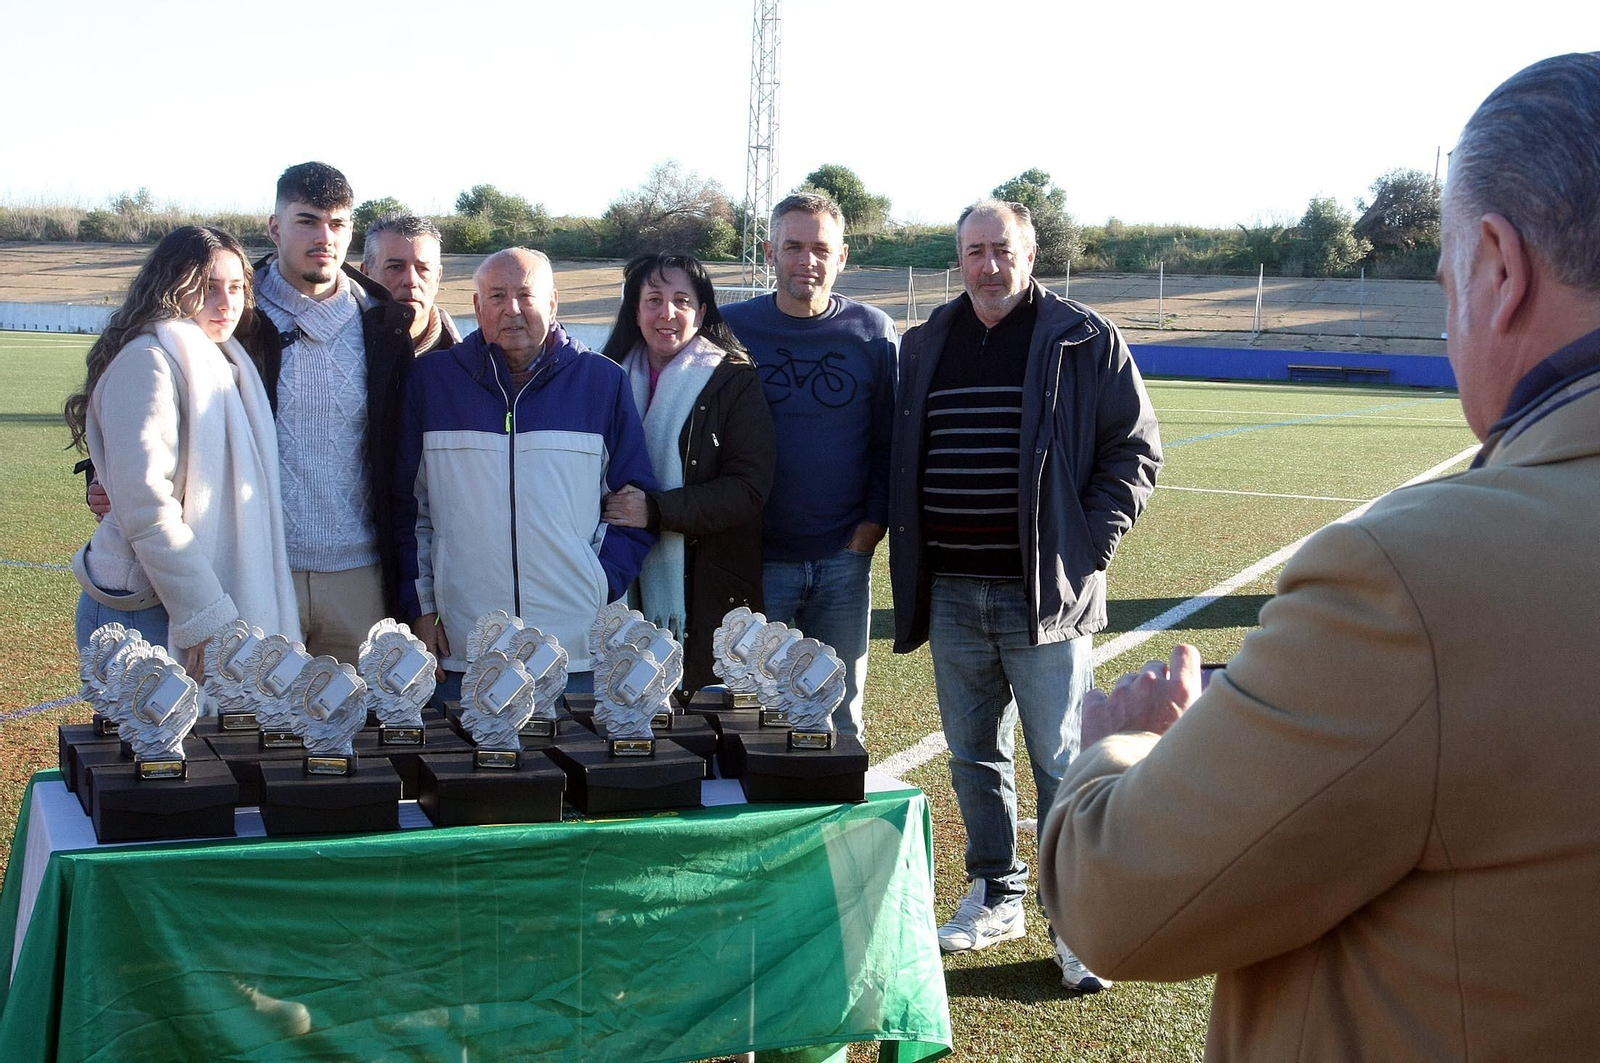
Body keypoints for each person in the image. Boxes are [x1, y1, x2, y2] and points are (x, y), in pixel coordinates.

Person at [1039, 52, 1600, 1060]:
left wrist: (1120, 744)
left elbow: (1113, 899)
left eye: (1446, 283)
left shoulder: (1415, 578)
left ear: (1499, 267)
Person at [888, 200, 1161, 990]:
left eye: (1001, 249)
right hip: (953, 591)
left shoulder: (1083, 338)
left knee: (1064, 761)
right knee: (974, 754)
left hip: (1045, 595)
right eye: (973, 251)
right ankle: (996, 892)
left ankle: (1076, 917)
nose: (987, 265)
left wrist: (1086, 546)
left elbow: (1135, 453)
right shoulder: (928, 341)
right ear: (960, 258)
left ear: (1031, 252)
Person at [393, 247, 657, 692]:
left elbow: (633, 501)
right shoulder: (432, 381)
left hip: (576, 649)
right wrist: (421, 609)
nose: (511, 309)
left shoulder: (602, 381)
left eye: (525, 295)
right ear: (476, 307)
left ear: (553, 302)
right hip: (466, 647)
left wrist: (598, 583)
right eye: (496, 296)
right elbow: (409, 510)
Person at [65, 226, 300, 675]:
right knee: (147, 746)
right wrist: (206, 616)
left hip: (186, 603)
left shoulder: (228, 363)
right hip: (145, 608)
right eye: (209, 288)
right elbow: (146, 506)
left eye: (236, 288)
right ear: (174, 286)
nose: (227, 303)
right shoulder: (148, 361)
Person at [721, 192, 897, 738]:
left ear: (842, 256)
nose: (807, 260)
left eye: (820, 248)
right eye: (793, 246)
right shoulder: (728, 327)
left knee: (838, 716)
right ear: (771, 252)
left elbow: (890, 441)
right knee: (749, 711)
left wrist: (868, 530)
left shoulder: (872, 331)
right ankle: (751, 824)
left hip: (843, 558)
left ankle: (839, 821)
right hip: (756, 561)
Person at [246, 162, 416, 664]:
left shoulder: (384, 326)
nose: (325, 237)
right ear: (275, 227)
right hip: (257, 570)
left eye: (338, 224)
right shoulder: (232, 316)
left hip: (360, 579)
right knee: (254, 735)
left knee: (356, 735)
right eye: (307, 221)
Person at [599, 252, 775, 693]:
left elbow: (748, 489)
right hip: (612, 576)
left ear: (701, 311)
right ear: (634, 309)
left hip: (708, 584)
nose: (667, 313)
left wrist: (656, 510)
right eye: (654, 299)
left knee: (701, 723)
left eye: (682, 300)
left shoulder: (734, 379)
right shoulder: (603, 378)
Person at [359, 211, 460, 356]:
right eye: (395, 267)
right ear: (366, 274)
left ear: (437, 277)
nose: (411, 281)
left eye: (423, 269)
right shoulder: (341, 354)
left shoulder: (470, 367)